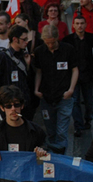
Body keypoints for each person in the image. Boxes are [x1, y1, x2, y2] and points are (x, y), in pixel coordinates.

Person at [33, 25, 78, 154]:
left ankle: (61, 156)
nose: (50, 46)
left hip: (64, 95)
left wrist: (71, 89)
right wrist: (36, 89)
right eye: (47, 43)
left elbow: (75, 70)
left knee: (62, 131)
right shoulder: (40, 51)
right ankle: (52, 156)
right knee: (50, 130)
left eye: (52, 42)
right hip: (46, 96)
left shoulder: (68, 49)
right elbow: (38, 72)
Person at [62, 16, 93, 136]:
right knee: (75, 101)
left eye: (82, 23)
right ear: (73, 25)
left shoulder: (92, 38)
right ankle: (78, 125)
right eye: (77, 23)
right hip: (73, 76)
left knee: (89, 100)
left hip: (87, 74)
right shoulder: (68, 40)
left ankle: (88, 119)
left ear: (85, 24)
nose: (80, 26)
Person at [0, 25, 34, 120]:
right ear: (15, 39)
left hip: (24, 105)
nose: (26, 42)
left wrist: (28, 65)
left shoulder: (25, 56)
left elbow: (28, 81)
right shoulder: (2, 56)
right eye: (24, 39)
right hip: (9, 104)